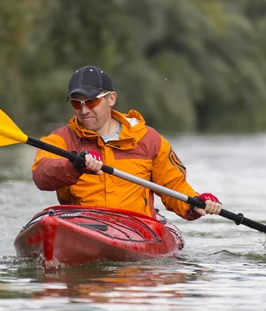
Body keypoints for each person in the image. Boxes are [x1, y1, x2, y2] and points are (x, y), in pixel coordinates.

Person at [32, 65, 222, 220]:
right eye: (76, 103)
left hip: (136, 228)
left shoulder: (148, 140)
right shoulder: (61, 139)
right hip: (82, 225)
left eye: (91, 102)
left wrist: (195, 203)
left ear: (111, 98)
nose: (83, 110)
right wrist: (74, 166)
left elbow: (174, 187)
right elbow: (42, 174)